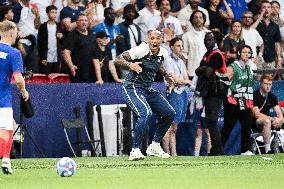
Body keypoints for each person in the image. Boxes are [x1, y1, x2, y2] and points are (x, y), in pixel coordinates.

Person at [115, 30, 176, 160]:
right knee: (146, 113)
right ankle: (135, 150)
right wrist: (131, 65)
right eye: (152, 38)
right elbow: (118, 59)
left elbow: (158, 65)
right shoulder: (141, 50)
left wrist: (166, 75)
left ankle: (154, 146)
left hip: (147, 89)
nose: (154, 41)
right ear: (148, 39)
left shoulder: (163, 53)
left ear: (161, 40)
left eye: (158, 38)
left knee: (169, 112)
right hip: (132, 87)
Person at [0, 20, 29, 174]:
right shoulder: (13, 53)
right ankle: (5, 160)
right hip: (2, 100)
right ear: (12, 33)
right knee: (6, 129)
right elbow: (18, 78)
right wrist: (24, 91)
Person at [195, 32, 228, 156]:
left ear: (215, 41)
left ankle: (217, 151)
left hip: (216, 92)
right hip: (209, 92)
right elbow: (197, 71)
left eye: (209, 40)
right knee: (210, 122)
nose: (207, 42)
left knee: (212, 122)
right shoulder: (207, 54)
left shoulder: (216, 55)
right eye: (205, 40)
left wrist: (204, 69)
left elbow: (207, 72)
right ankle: (216, 150)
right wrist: (204, 69)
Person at [221, 45, 254, 155]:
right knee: (228, 126)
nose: (247, 54)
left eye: (248, 52)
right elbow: (224, 79)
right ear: (239, 54)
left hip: (244, 100)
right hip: (232, 100)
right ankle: (218, 150)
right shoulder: (233, 66)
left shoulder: (249, 68)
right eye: (244, 52)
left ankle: (245, 150)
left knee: (247, 124)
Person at [162, 37, 191, 156]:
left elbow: (185, 77)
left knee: (175, 127)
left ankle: (174, 154)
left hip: (182, 93)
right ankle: (166, 152)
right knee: (168, 126)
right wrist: (186, 82)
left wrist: (185, 81)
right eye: (178, 45)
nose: (180, 48)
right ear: (171, 47)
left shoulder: (181, 61)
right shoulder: (168, 60)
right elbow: (175, 80)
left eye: (181, 46)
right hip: (173, 93)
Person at [252, 74, 283, 154]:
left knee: (281, 119)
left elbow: (279, 113)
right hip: (256, 122)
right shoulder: (254, 96)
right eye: (266, 84)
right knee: (267, 121)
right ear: (261, 83)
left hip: (270, 120)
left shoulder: (272, 97)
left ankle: (276, 142)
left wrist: (279, 120)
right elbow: (256, 114)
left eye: (270, 84)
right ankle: (268, 150)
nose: (268, 86)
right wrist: (273, 119)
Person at [62, 14, 97, 83]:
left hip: (92, 72)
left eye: (86, 20)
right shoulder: (72, 35)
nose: (84, 22)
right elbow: (66, 52)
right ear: (77, 23)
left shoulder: (92, 35)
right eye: (81, 20)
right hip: (78, 71)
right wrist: (71, 66)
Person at [37, 5, 63, 75]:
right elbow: (40, 44)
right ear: (47, 14)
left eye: (55, 12)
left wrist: (61, 37)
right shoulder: (43, 27)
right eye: (52, 12)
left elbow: (62, 42)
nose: (54, 14)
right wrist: (42, 58)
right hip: (46, 57)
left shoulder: (59, 26)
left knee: (56, 77)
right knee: (45, 77)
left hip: (56, 56)